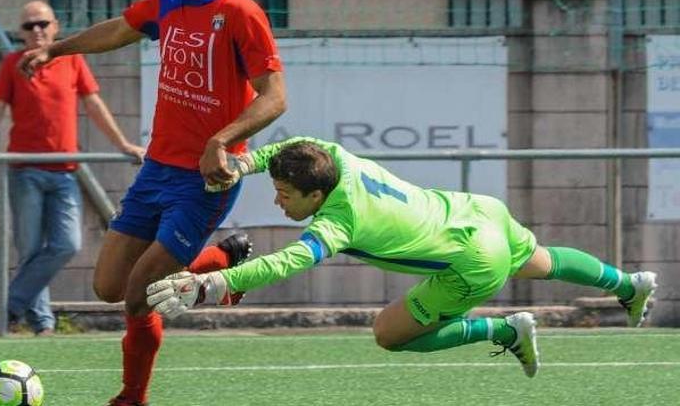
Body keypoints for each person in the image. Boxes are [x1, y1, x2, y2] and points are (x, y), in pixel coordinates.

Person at [19, 0, 286, 404]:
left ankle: (131, 396)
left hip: (204, 181)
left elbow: (274, 97)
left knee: (141, 292)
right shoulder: (167, 3)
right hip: (156, 171)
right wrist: (56, 49)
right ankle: (222, 263)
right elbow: (119, 29)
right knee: (108, 287)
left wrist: (220, 140)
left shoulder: (241, 12)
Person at [146, 137, 659, 378]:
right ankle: (628, 284)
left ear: (316, 196)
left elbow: (284, 264)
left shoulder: (339, 224)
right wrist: (245, 164)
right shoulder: (335, 158)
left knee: (389, 334)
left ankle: (506, 330)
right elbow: (298, 143)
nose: (278, 200)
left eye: (284, 193)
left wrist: (211, 284)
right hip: (477, 212)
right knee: (542, 260)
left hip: (470, 261)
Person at [0, 0, 147, 336]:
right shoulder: (13, 64)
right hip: (24, 170)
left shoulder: (71, 60)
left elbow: (95, 105)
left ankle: (10, 303)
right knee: (29, 250)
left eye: (43, 24)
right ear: (21, 33)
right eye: (29, 26)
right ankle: (42, 322)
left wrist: (124, 145)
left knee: (66, 244)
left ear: (56, 26)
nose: (37, 30)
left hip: (64, 171)